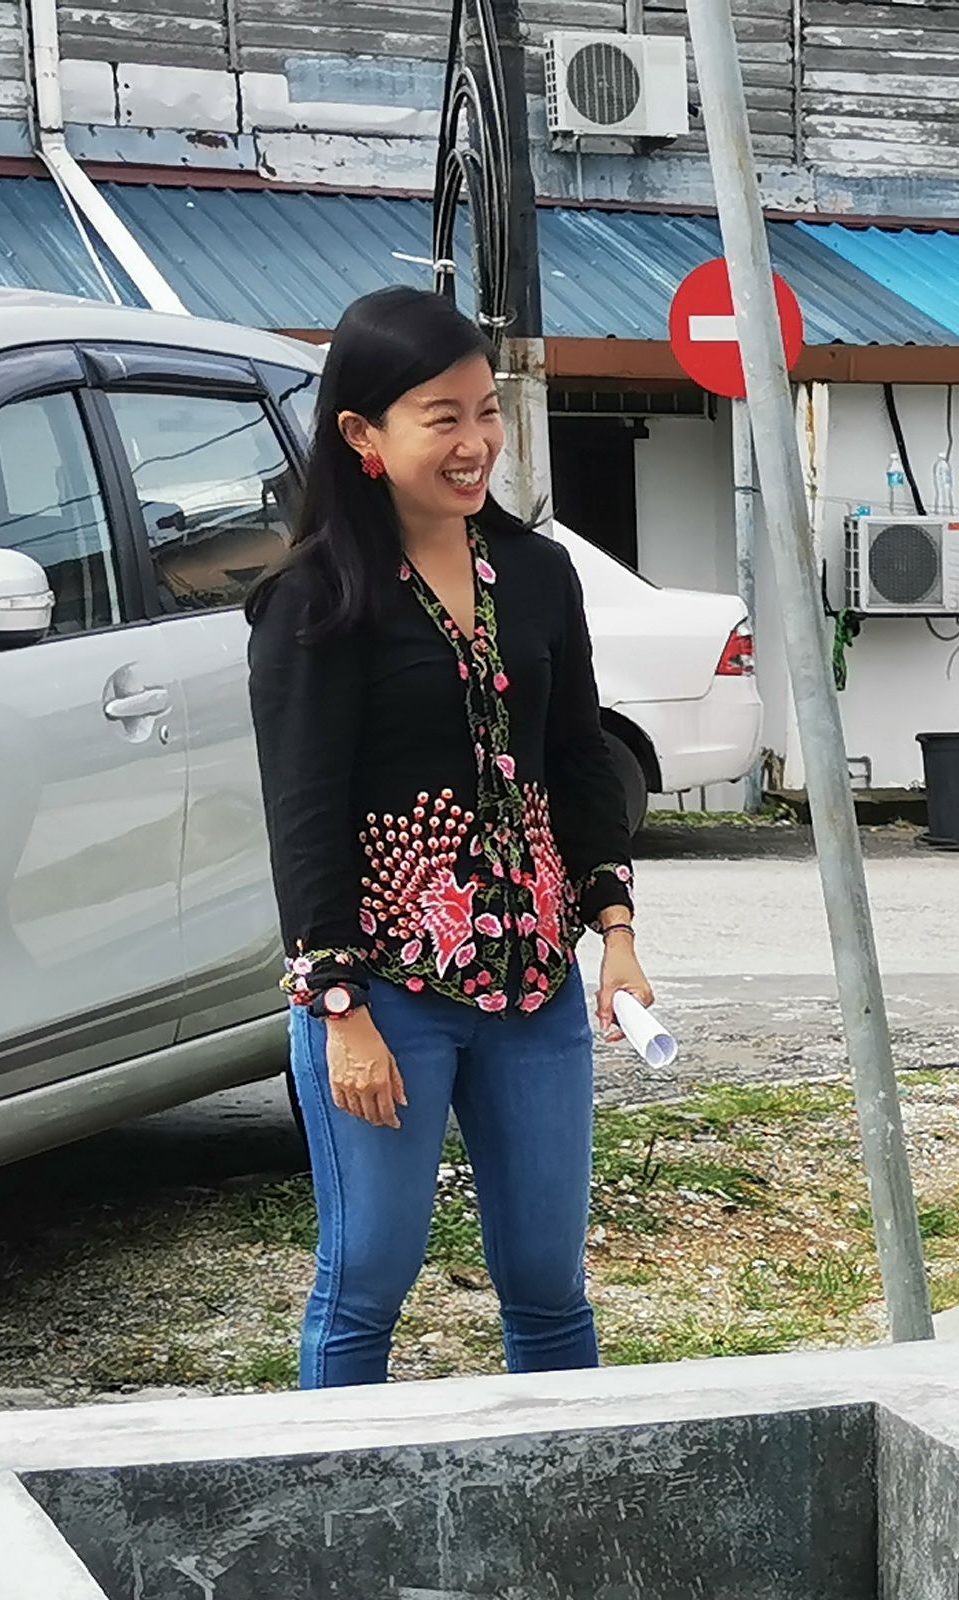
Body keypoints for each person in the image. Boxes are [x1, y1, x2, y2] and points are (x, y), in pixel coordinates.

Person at [250, 288, 654, 1387]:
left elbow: (578, 757)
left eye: (487, 412)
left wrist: (615, 931)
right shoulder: (313, 600)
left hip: (536, 989)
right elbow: (303, 811)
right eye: (443, 418)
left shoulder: (536, 573)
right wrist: (339, 1008)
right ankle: (335, 1489)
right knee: (367, 1278)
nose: (477, 442)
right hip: (385, 996)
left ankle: (573, 1481)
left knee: (549, 1284)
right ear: (362, 434)